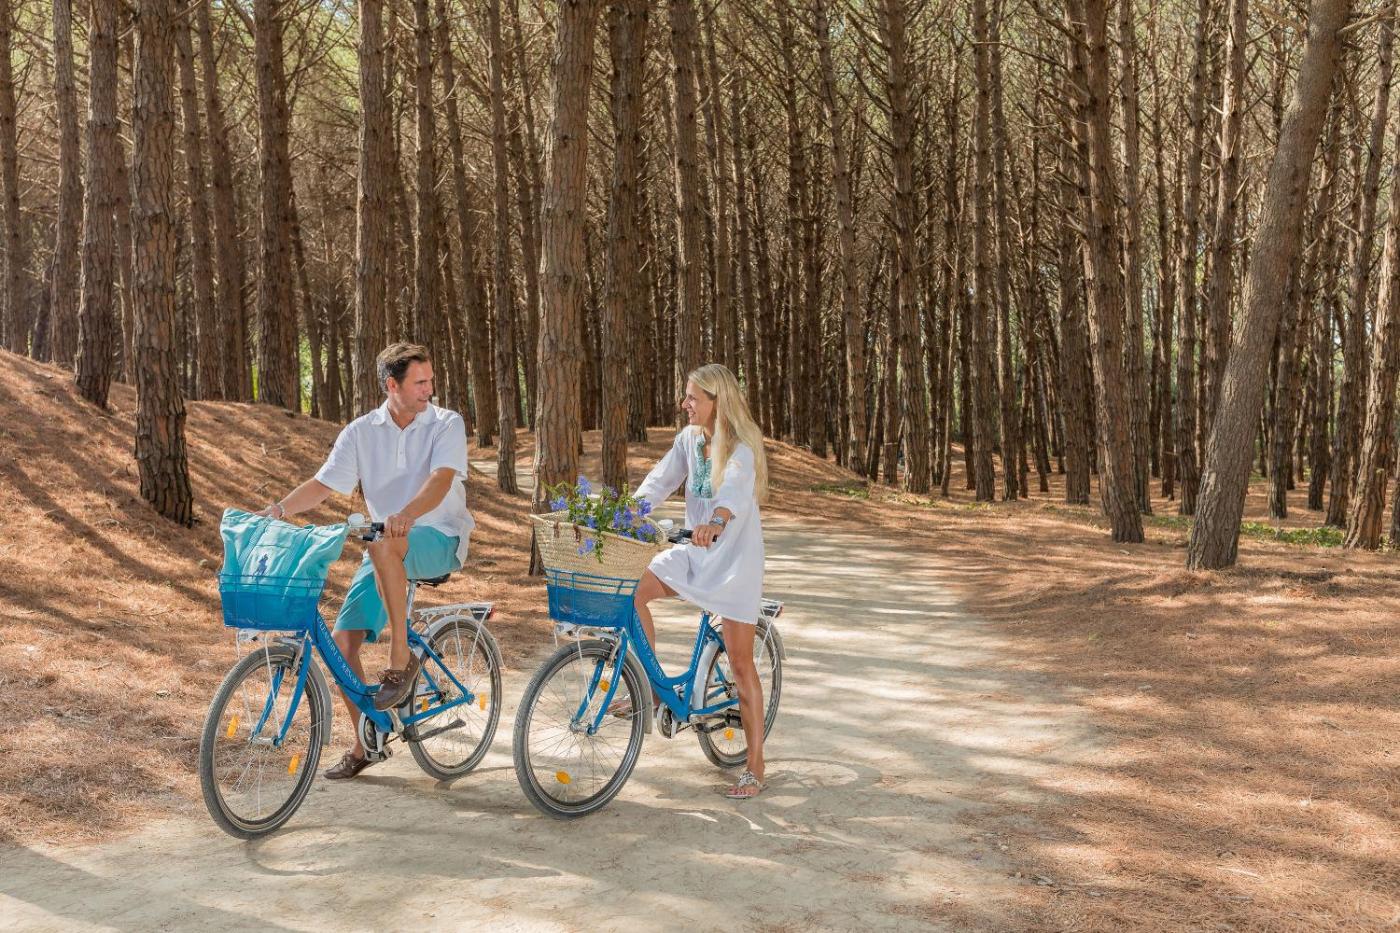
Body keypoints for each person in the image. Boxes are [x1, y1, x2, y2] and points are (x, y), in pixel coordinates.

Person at [256, 342, 473, 780]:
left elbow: (440, 480)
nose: (428, 390)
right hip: (382, 546)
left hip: (439, 536)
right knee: (342, 644)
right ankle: (367, 741)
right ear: (392, 385)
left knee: (386, 545)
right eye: (420, 382)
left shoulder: (446, 423)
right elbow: (323, 484)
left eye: (430, 381)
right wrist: (277, 510)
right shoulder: (361, 432)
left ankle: (400, 656)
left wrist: (406, 515)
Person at [633, 363, 770, 799]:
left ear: (717, 402)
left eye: (693, 397)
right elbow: (659, 480)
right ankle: (655, 689)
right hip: (696, 550)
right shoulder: (689, 440)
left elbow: (733, 491)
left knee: (741, 663)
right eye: (686, 396)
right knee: (633, 592)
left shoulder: (741, 448)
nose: (685, 404)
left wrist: (717, 521)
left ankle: (754, 766)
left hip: (733, 561)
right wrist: (629, 512)